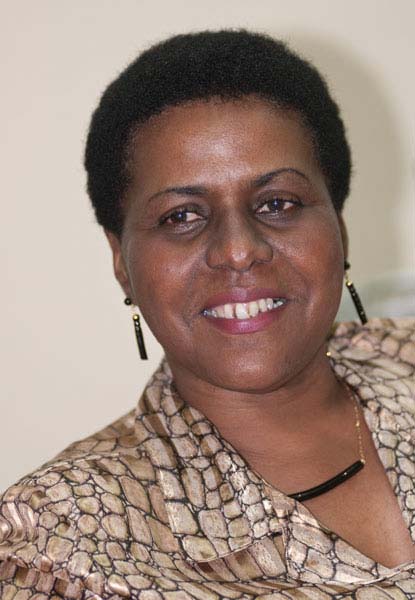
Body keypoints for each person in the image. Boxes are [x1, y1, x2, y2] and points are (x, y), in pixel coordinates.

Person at [0, 29, 414, 599]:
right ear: (122, 262)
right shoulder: (60, 540)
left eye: (277, 203)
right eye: (182, 216)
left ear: (338, 228)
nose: (239, 250)